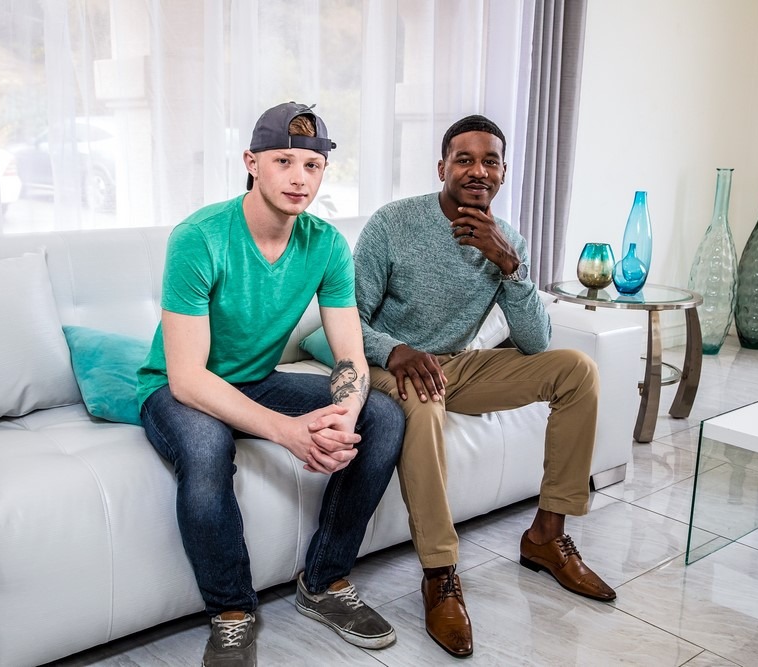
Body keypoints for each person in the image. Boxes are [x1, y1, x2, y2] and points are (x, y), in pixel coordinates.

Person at [136, 102, 405, 667]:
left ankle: (324, 582)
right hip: (179, 390)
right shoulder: (199, 238)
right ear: (251, 162)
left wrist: (342, 419)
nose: (298, 177)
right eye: (283, 161)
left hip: (256, 381)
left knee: (382, 415)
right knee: (206, 446)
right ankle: (232, 613)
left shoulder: (326, 245)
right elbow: (187, 377)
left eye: (312, 165)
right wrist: (289, 432)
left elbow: (350, 357)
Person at [353, 114, 614, 659]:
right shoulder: (393, 223)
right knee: (425, 400)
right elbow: (346, 319)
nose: (478, 171)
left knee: (576, 370)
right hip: (390, 364)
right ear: (442, 167)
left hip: (458, 366)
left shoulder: (507, 240)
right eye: (464, 159)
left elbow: (536, 343)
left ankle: (546, 536)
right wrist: (396, 351)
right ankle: (440, 573)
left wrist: (510, 266)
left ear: (503, 172)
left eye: (490, 161)